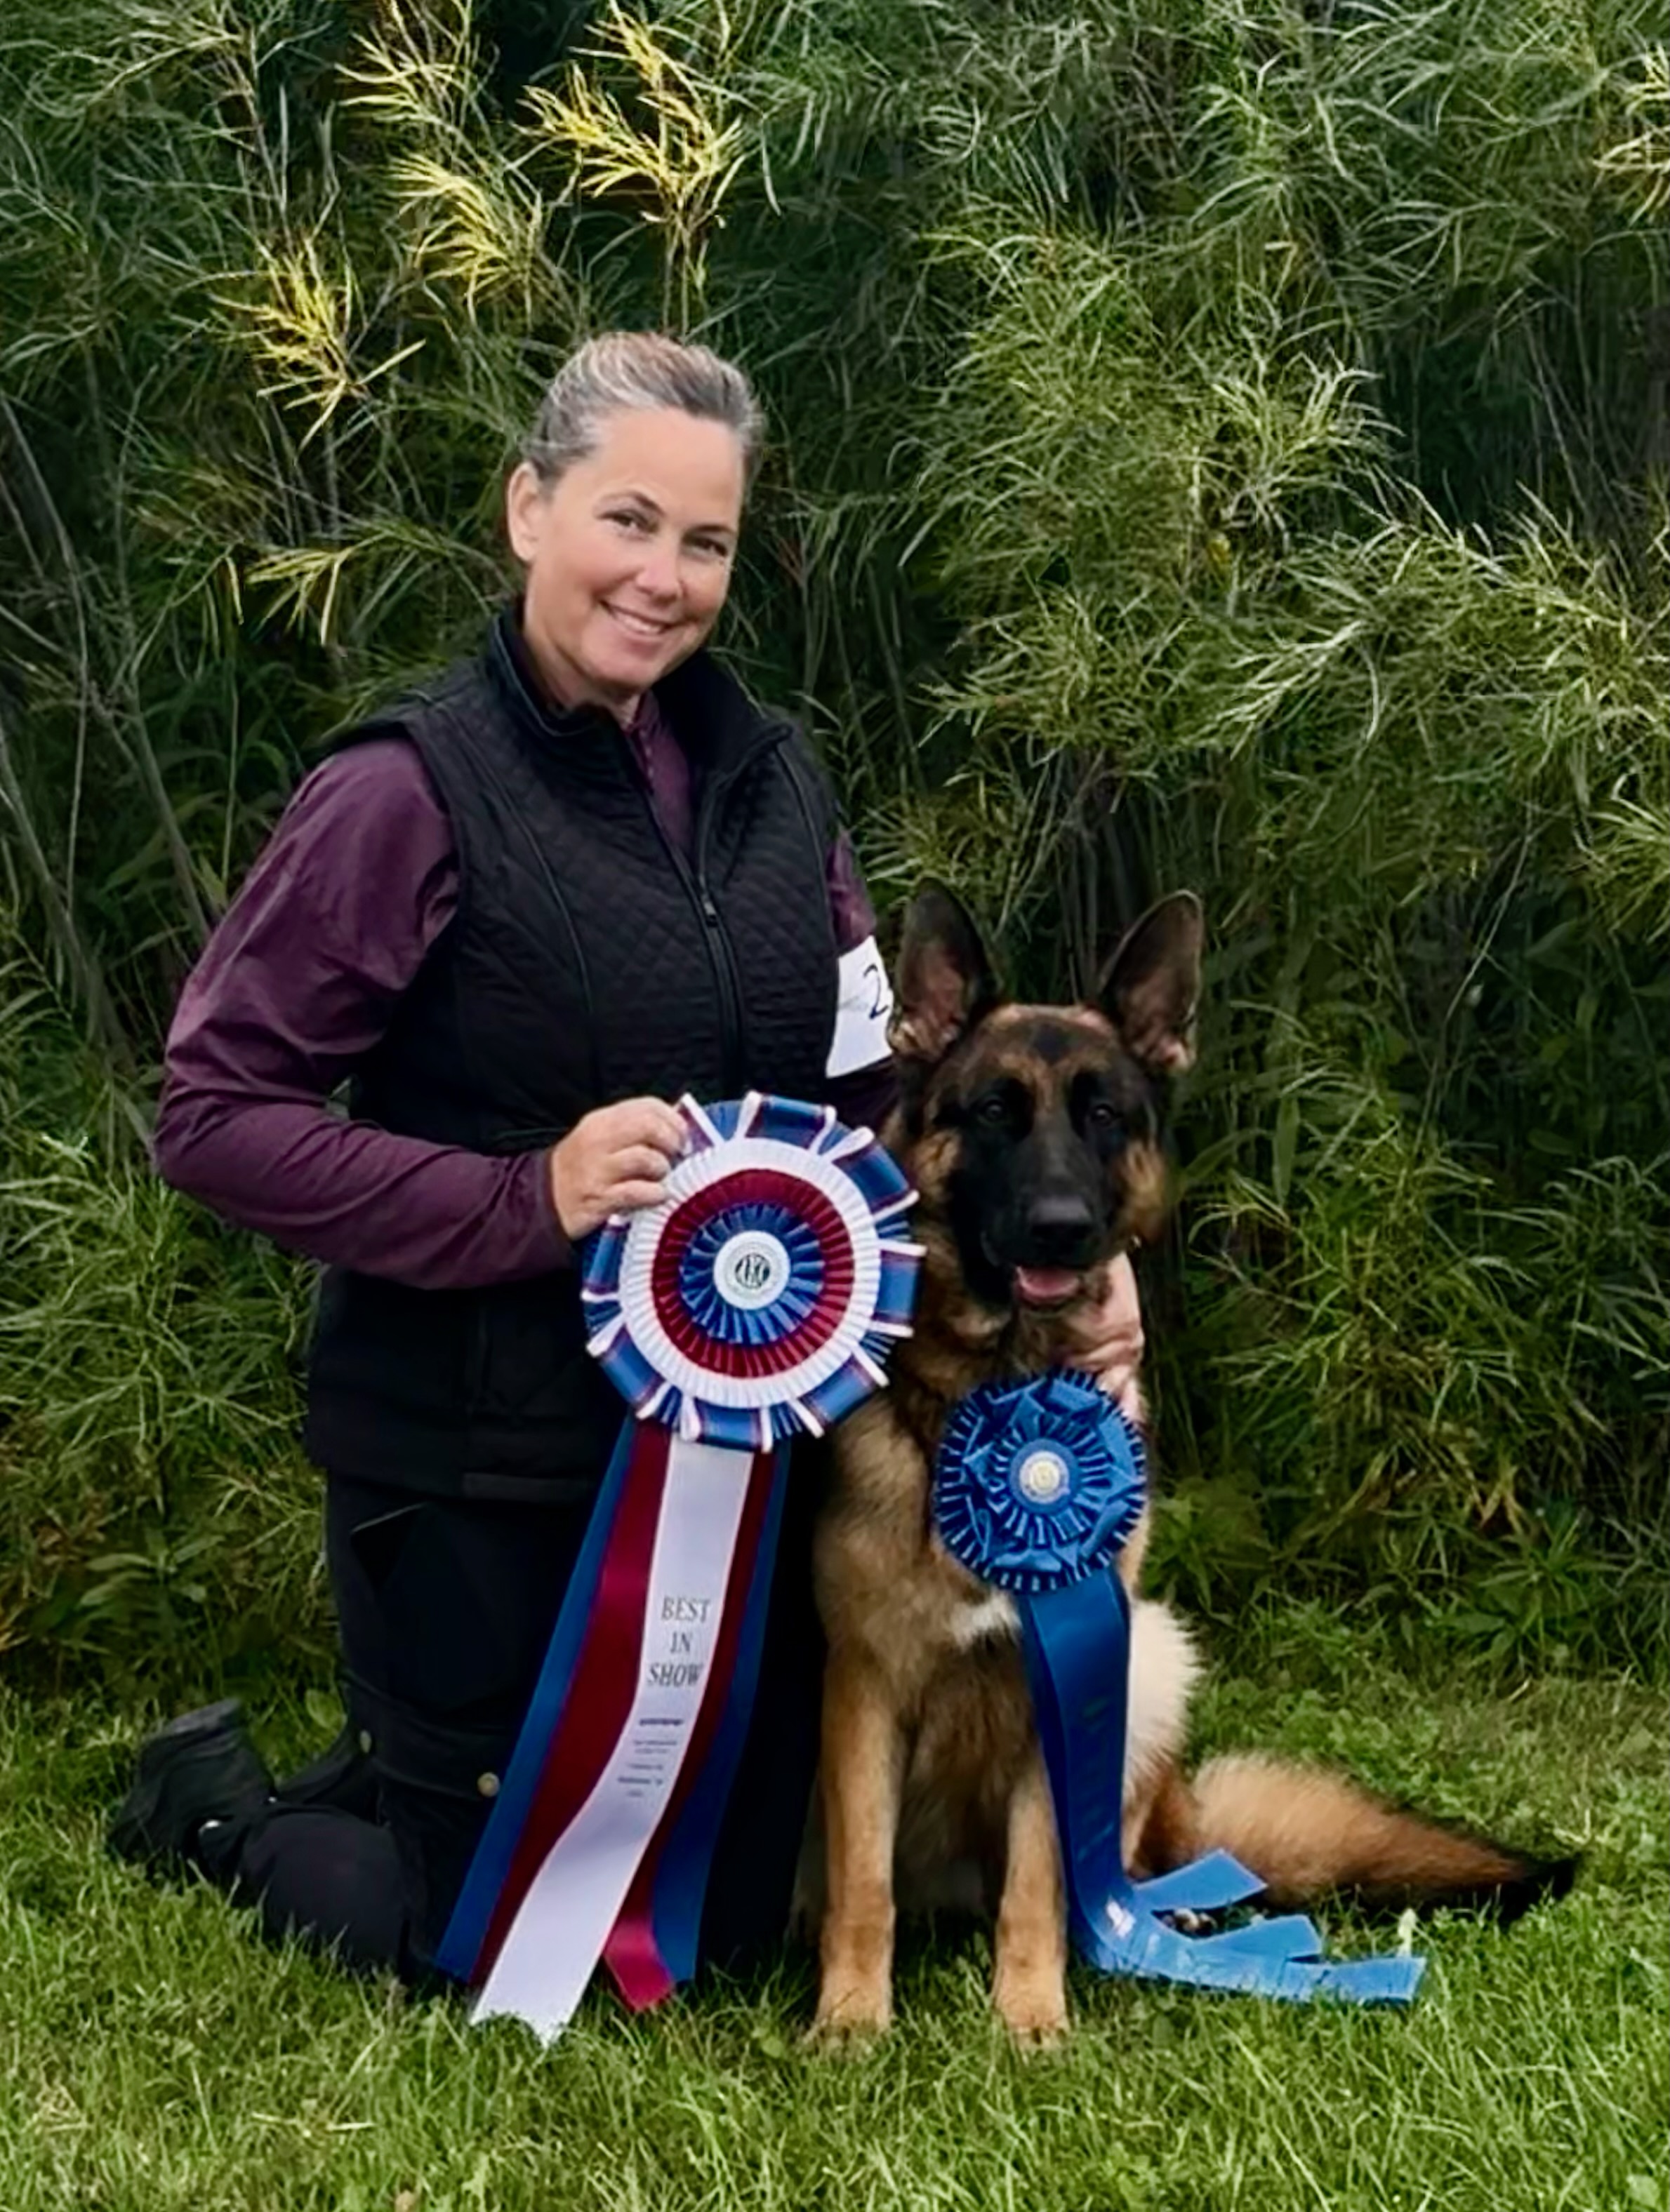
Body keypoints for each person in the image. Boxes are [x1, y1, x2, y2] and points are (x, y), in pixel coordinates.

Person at [110, 331, 1146, 1985]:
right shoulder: (403, 789)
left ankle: (400, 1766)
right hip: (480, 1464)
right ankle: (218, 1809)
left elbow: (888, 1090)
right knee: (489, 1938)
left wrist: (1078, 1275)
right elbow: (214, 1116)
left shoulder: (771, 779)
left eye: (706, 541)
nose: (663, 578)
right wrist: (522, 1194)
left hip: (737, 1475)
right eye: (628, 520)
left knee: (722, 1935)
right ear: (528, 508)